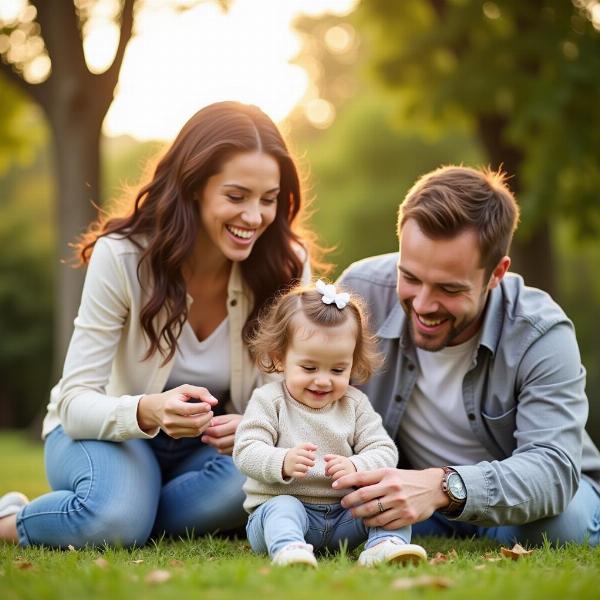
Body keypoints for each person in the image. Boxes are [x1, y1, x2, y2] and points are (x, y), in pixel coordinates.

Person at [0, 101, 317, 548]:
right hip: (102, 435)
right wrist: (148, 410)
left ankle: (133, 514)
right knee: (113, 518)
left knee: (255, 481)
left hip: (206, 453)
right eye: (236, 196)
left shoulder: (286, 266)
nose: (254, 217)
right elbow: (74, 402)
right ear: (193, 188)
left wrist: (253, 422)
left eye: (268, 200)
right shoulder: (123, 256)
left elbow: (298, 396)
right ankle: (13, 520)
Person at [334, 165, 600, 546]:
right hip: (416, 502)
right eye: (409, 277)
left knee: (558, 526)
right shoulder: (360, 293)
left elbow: (553, 471)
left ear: (496, 273)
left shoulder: (541, 332)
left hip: (517, 505)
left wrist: (443, 486)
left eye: (448, 288)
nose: (423, 304)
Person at [233, 280, 428, 567]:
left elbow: (385, 450)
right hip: (283, 513)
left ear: (353, 362)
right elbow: (246, 450)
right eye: (309, 368)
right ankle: (290, 550)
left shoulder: (354, 404)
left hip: (342, 517)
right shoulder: (269, 400)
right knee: (283, 508)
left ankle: (384, 545)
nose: (323, 380)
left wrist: (357, 466)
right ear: (280, 358)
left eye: (338, 369)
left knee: (387, 504)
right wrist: (282, 460)